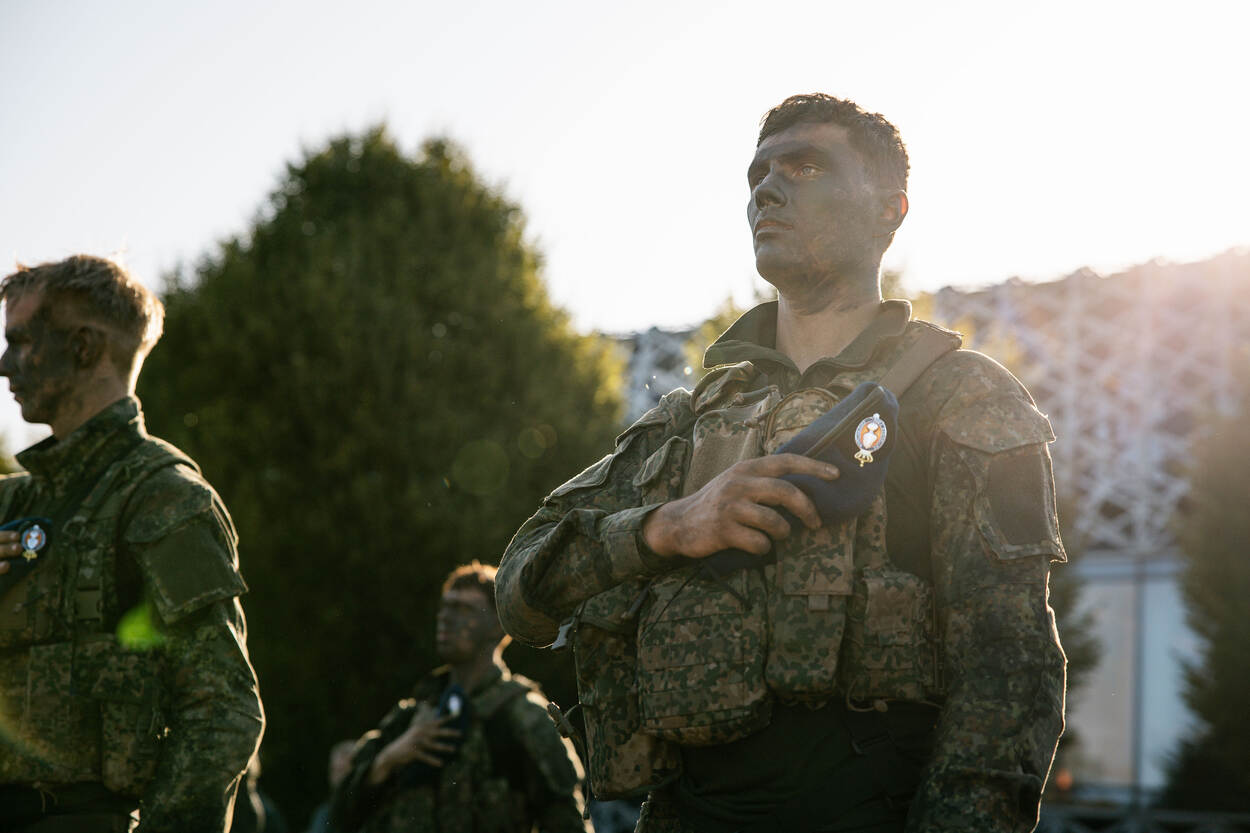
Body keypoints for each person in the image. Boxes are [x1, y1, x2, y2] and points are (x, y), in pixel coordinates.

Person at [495, 94, 1067, 832]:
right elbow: (520, 590)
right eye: (758, 173)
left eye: (805, 165)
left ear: (890, 209)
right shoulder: (686, 420)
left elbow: (1011, 675)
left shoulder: (962, 399)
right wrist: (668, 526)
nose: (767, 188)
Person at [0, 255, 265, 832]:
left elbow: (222, 708)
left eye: (20, 342)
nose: (3, 366)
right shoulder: (11, 504)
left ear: (83, 348)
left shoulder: (163, 497)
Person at [330, 561, 590, 833]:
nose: (445, 617)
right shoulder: (413, 716)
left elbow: (568, 823)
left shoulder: (524, 717)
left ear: (497, 627)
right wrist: (389, 759)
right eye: (445, 606)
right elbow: (338, 816)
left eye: (463, 609)